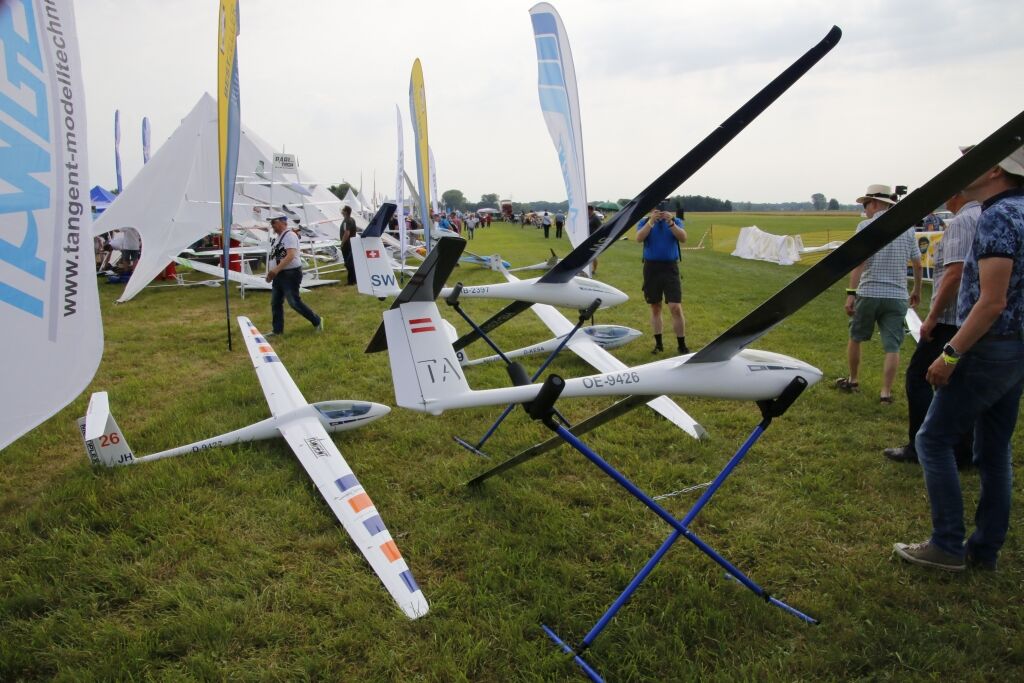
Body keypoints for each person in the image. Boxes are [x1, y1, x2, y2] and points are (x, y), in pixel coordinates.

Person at [894, 146, 1024, 572]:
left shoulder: (998, 216)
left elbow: (992, 301)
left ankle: (947, 544)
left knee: (932, 440)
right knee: (994, 450)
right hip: (1015, 348)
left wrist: (950, 354)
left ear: (995, 169)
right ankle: (984, 550)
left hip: (987, 347)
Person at [884, 192, 981, 466]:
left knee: (919, 376)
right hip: (972, 320)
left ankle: (921, 445)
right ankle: (964, 449)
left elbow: (955, 273)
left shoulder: (963, 221)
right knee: (961, 384)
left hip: (949, 320)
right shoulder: (985, 215)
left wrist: (933, 316)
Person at [836, 184, 922, 402]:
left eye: (865, 205)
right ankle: (886, 393)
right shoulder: (907, 229)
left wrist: (851, 293)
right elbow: (918, 263)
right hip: (897, 295)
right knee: (892, 347)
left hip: (869, 292)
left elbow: (859, 262)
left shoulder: (865, 226)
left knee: (856, 337)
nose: (865, 210)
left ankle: (853, 380)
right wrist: (917, 289)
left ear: (874, 203)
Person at [635, 200, 688, 354]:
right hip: (651, 268)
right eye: (656, 208)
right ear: (652, 209)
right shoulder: (644, 222)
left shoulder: (675, 221)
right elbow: (639, 238)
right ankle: (659, 345)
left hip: (670, 267)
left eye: (661, 208)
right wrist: (651, 222)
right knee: (655, 306)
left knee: (675, 306)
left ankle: (682, 345)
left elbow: (683, 238)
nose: (659, 210)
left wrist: (671, 223)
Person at [265, 214, 322, 337]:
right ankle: (277, 330)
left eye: (273, 222)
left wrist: (275, 270)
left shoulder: (290, 235)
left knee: (293, 302)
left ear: (282, 222)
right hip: (280, 274)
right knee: (275, 302)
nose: (272, 225)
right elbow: (276, 256)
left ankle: (317, 320)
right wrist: (272, 272)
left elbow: (290, 256)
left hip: (290, 274)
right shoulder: (278, 238)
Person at [339, 206, 358, 285]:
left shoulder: (347, 221)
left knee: (348, 262)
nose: (341, 211)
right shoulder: (351, 219)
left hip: (347, 244)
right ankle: (353, 279)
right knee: (350, 262)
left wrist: (342, 243)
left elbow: (347, 233)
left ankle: (351, 281)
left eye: (343, 210)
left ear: (346, 212)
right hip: (351, 243)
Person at [587, 204, 603, 275]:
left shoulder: (595, 218)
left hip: (593, 238)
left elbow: (601, 227)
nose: (586, 211)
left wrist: (596, 235)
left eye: (587, 210)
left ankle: (594, 270)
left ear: (591, 210)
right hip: (587, 238)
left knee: (593, 255)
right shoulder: (588, 217)